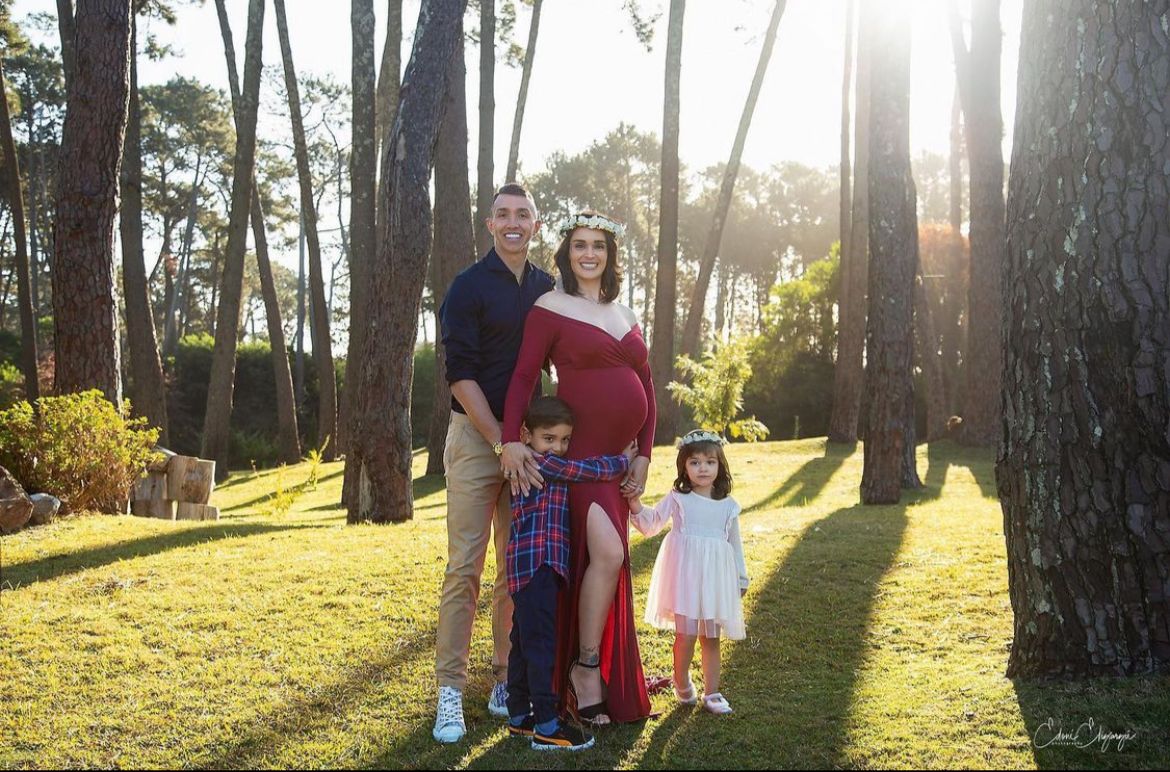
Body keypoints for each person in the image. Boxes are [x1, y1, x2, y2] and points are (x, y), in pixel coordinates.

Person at [501, 211, 655, 725]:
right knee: (608, 554)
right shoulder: (550, 307)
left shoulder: (625, 312)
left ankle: (591, 668)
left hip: (618, 463)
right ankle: (585, 669)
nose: (589, 254)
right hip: (581, 457)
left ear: (610, 255)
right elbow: (524, 376)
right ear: (567, 253)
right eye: (580, 245)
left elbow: (647, 389)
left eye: (599, 246)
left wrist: (645, 454)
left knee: (605, 560)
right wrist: (510, 440)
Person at [433, 183, 555, 744]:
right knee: (465, 567)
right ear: (490, 225)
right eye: (503, 214)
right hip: (476, 441)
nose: (513, 222)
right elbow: (459, 375)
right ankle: (450, 692)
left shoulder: (547, 290)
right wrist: (501, 441)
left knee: (516, 568)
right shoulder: (467, 287)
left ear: (535, 225)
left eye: (522, 215)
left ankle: (505, 680)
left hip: (527, 446)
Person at [505, 396, 634, 751]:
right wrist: (624, 460)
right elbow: (585, 471)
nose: (558, 447)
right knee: (541, 645)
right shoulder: (538, 462)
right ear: (526, 435)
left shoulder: (537, 459)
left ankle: (519, 716)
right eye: (549, 438)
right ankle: (547, 724)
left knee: (523, 641)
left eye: (564, 440)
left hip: (528, 568)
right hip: (537, 565)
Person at [628, 429, 749, 715]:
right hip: (685, 577)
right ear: (684, 466)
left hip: (714, 579)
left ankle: (713, 693)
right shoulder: (678, 498)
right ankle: (681, 681)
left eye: (710, 462)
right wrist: (635, 504)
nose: (702, 468)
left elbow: (735, 544)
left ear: (720, 466)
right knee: (687, 634)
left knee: (711, 636)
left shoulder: (729, 506)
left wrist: (741, 577)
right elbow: (652, 523)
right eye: (695, 462)